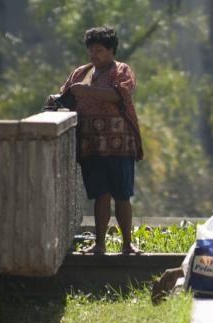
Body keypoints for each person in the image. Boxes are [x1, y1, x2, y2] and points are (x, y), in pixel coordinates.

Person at [49, 26, 143, 255]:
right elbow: (67, 97)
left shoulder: (122, 70)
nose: (94, 55)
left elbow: (119, 95)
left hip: (120, 143)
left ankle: (127, 244)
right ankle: (100, 244)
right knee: (100, 195)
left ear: (111, 51)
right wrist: (55, 100)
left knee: (122, 195)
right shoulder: (81, 73)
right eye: (91, 50)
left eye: (99, 50)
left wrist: (88, 91)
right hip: (91, 145)